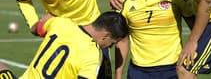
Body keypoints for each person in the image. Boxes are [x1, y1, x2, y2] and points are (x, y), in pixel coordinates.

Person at [114, 0, 195, 79]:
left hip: (173, 69)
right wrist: (117, 76)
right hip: (138, 72)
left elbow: (195, 27)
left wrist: (192, 65)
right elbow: (122, 40)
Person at [0, 11, 129, 79]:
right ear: (105, 36)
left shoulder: (61, 23)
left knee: (2, 67)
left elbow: (38, 28)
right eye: (112, 43)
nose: (110, 47)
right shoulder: (93, 54)